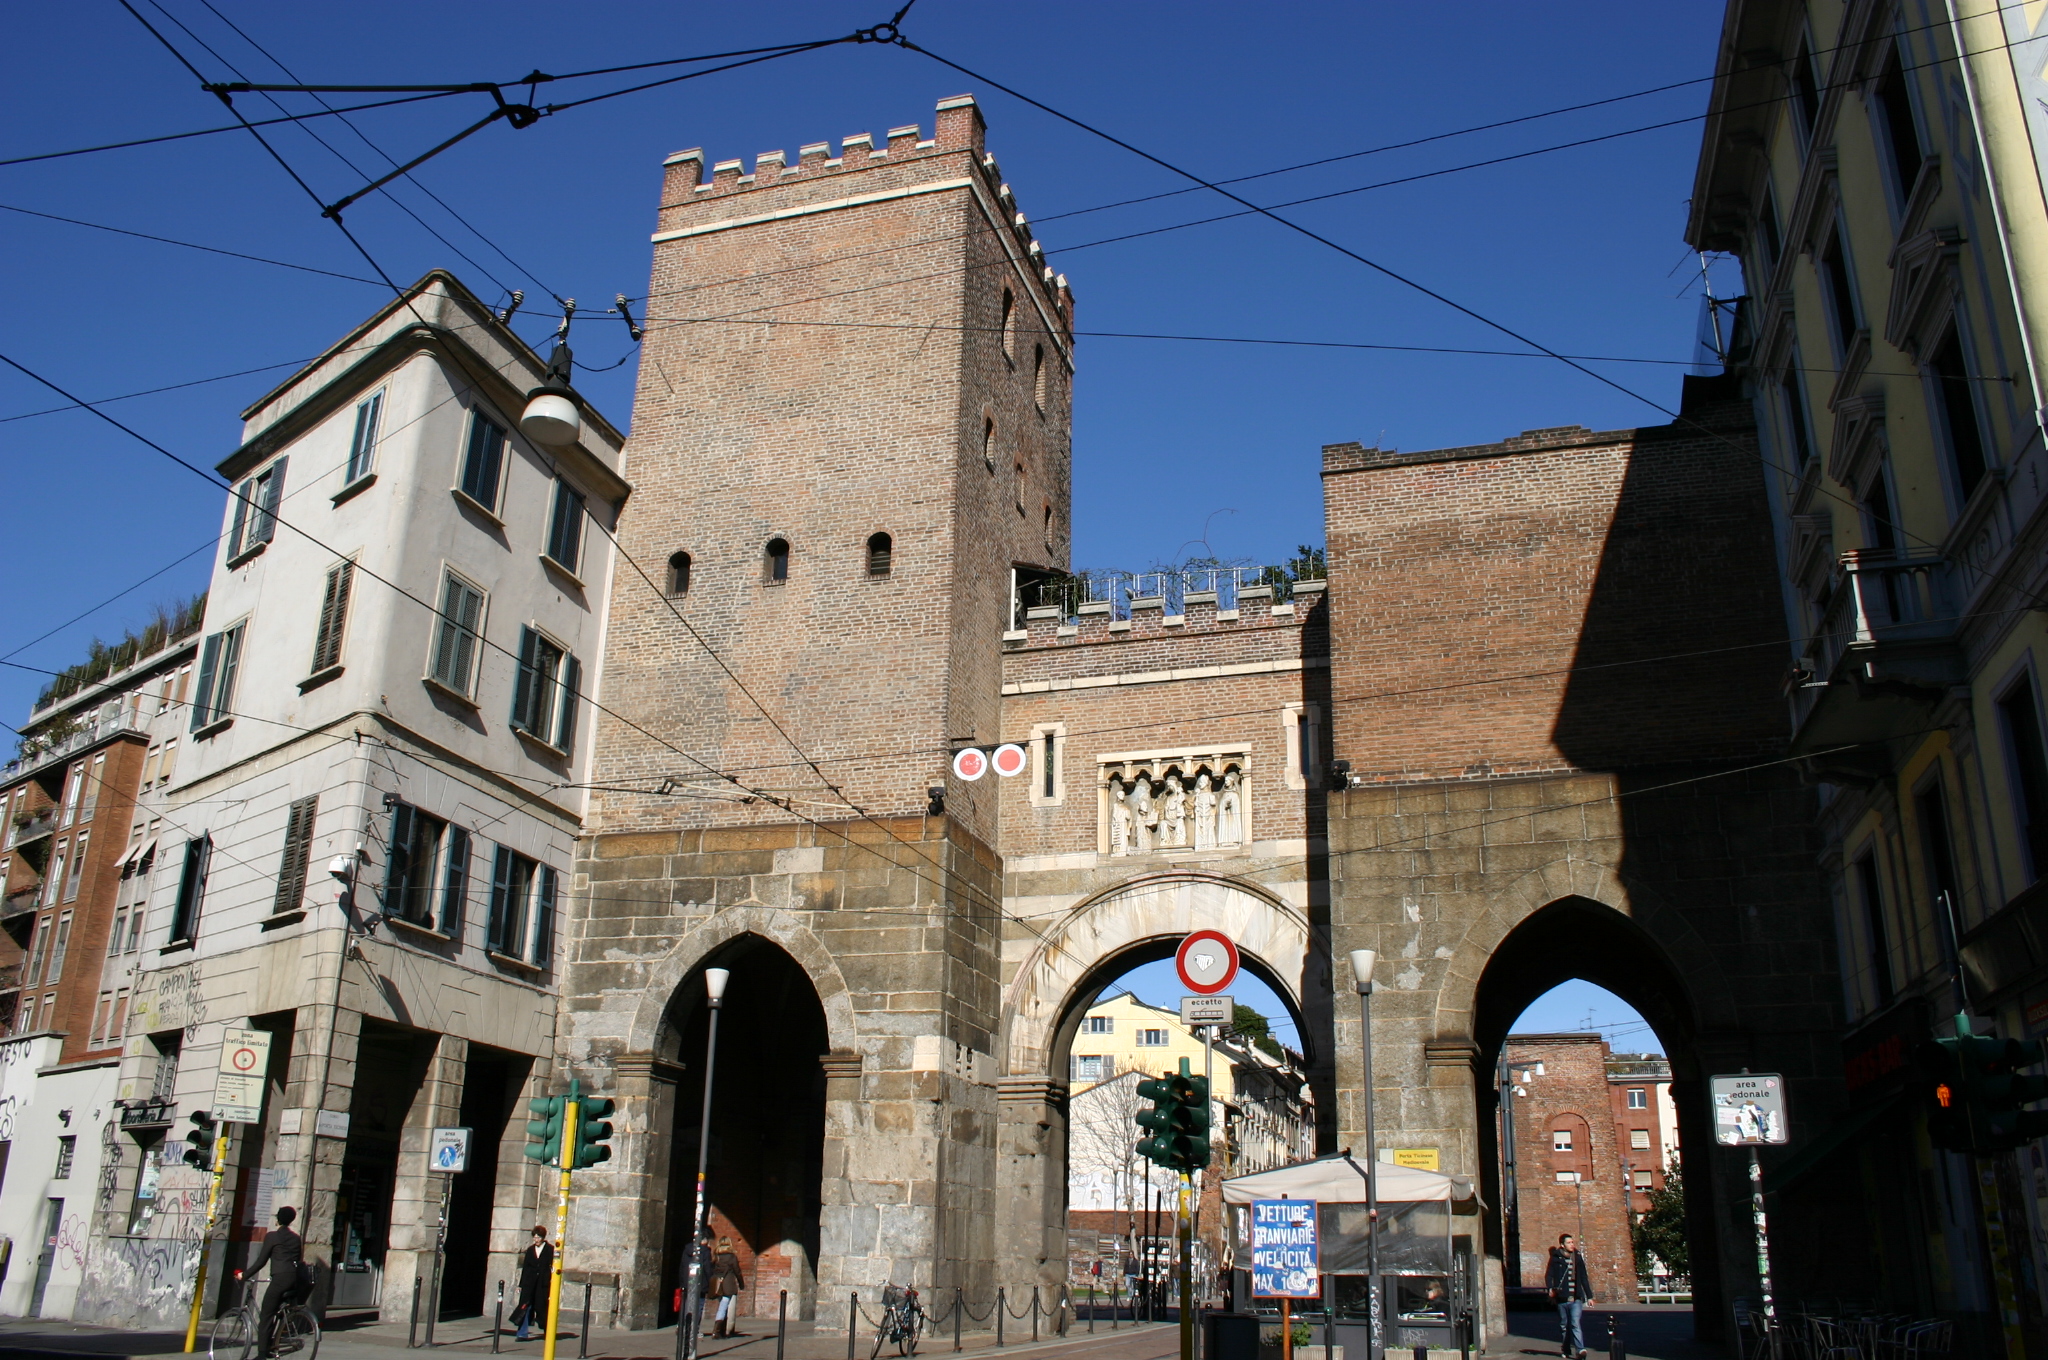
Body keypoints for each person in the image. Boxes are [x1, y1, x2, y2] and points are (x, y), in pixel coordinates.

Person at [244, 1206, 307, 1358]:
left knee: (266, 1315)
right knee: (277, 1311)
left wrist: (245, 1275)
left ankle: (262, 1354)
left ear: (278, 1218)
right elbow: (298, 1259)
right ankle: (274, 1341)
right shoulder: (296, 1238)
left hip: (280, 1279)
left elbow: (261, 1261)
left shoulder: (272, 1236)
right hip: (294, 1279)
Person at [1545, 1233, 1593, 1359]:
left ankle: (1580, 1350)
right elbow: (1549, 1275)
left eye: (1572, 1242)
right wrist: (1550, 1288)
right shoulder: (1556, 1258)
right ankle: (1566, 1349)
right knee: (1564, 1325)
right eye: (1569, 1242)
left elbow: (1583, 1277)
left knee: (1575, 1323)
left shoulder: (1577, 1257)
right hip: (1562, 1298)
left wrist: (1590, 1296)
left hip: (1576, 1298)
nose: (1572, 1244)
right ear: (1562, 1245)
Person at [515, 1225, 553, 1341]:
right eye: (534, 1237)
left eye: (538, 1238)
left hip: (542, 1284)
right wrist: (520, 1285)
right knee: (525, 1307)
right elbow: (526, 1268)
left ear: (543, 1237)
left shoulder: (550, 1249)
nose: (536, 1240)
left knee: (542, 1308)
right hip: (529, 1283)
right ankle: (522, 1333)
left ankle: (547, 1331)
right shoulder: (530, 1250)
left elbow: (553, 1266)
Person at [708, 1237, 745, 1338]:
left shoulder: (716, 1256)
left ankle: (721, 1331)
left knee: (722, 1305)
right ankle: (717, 1331)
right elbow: (737, 1271)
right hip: (728, 1284)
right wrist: (741, 1284)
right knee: (723, 1307)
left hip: (718, 1284)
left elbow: (712, 1269)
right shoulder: (732, 1257)